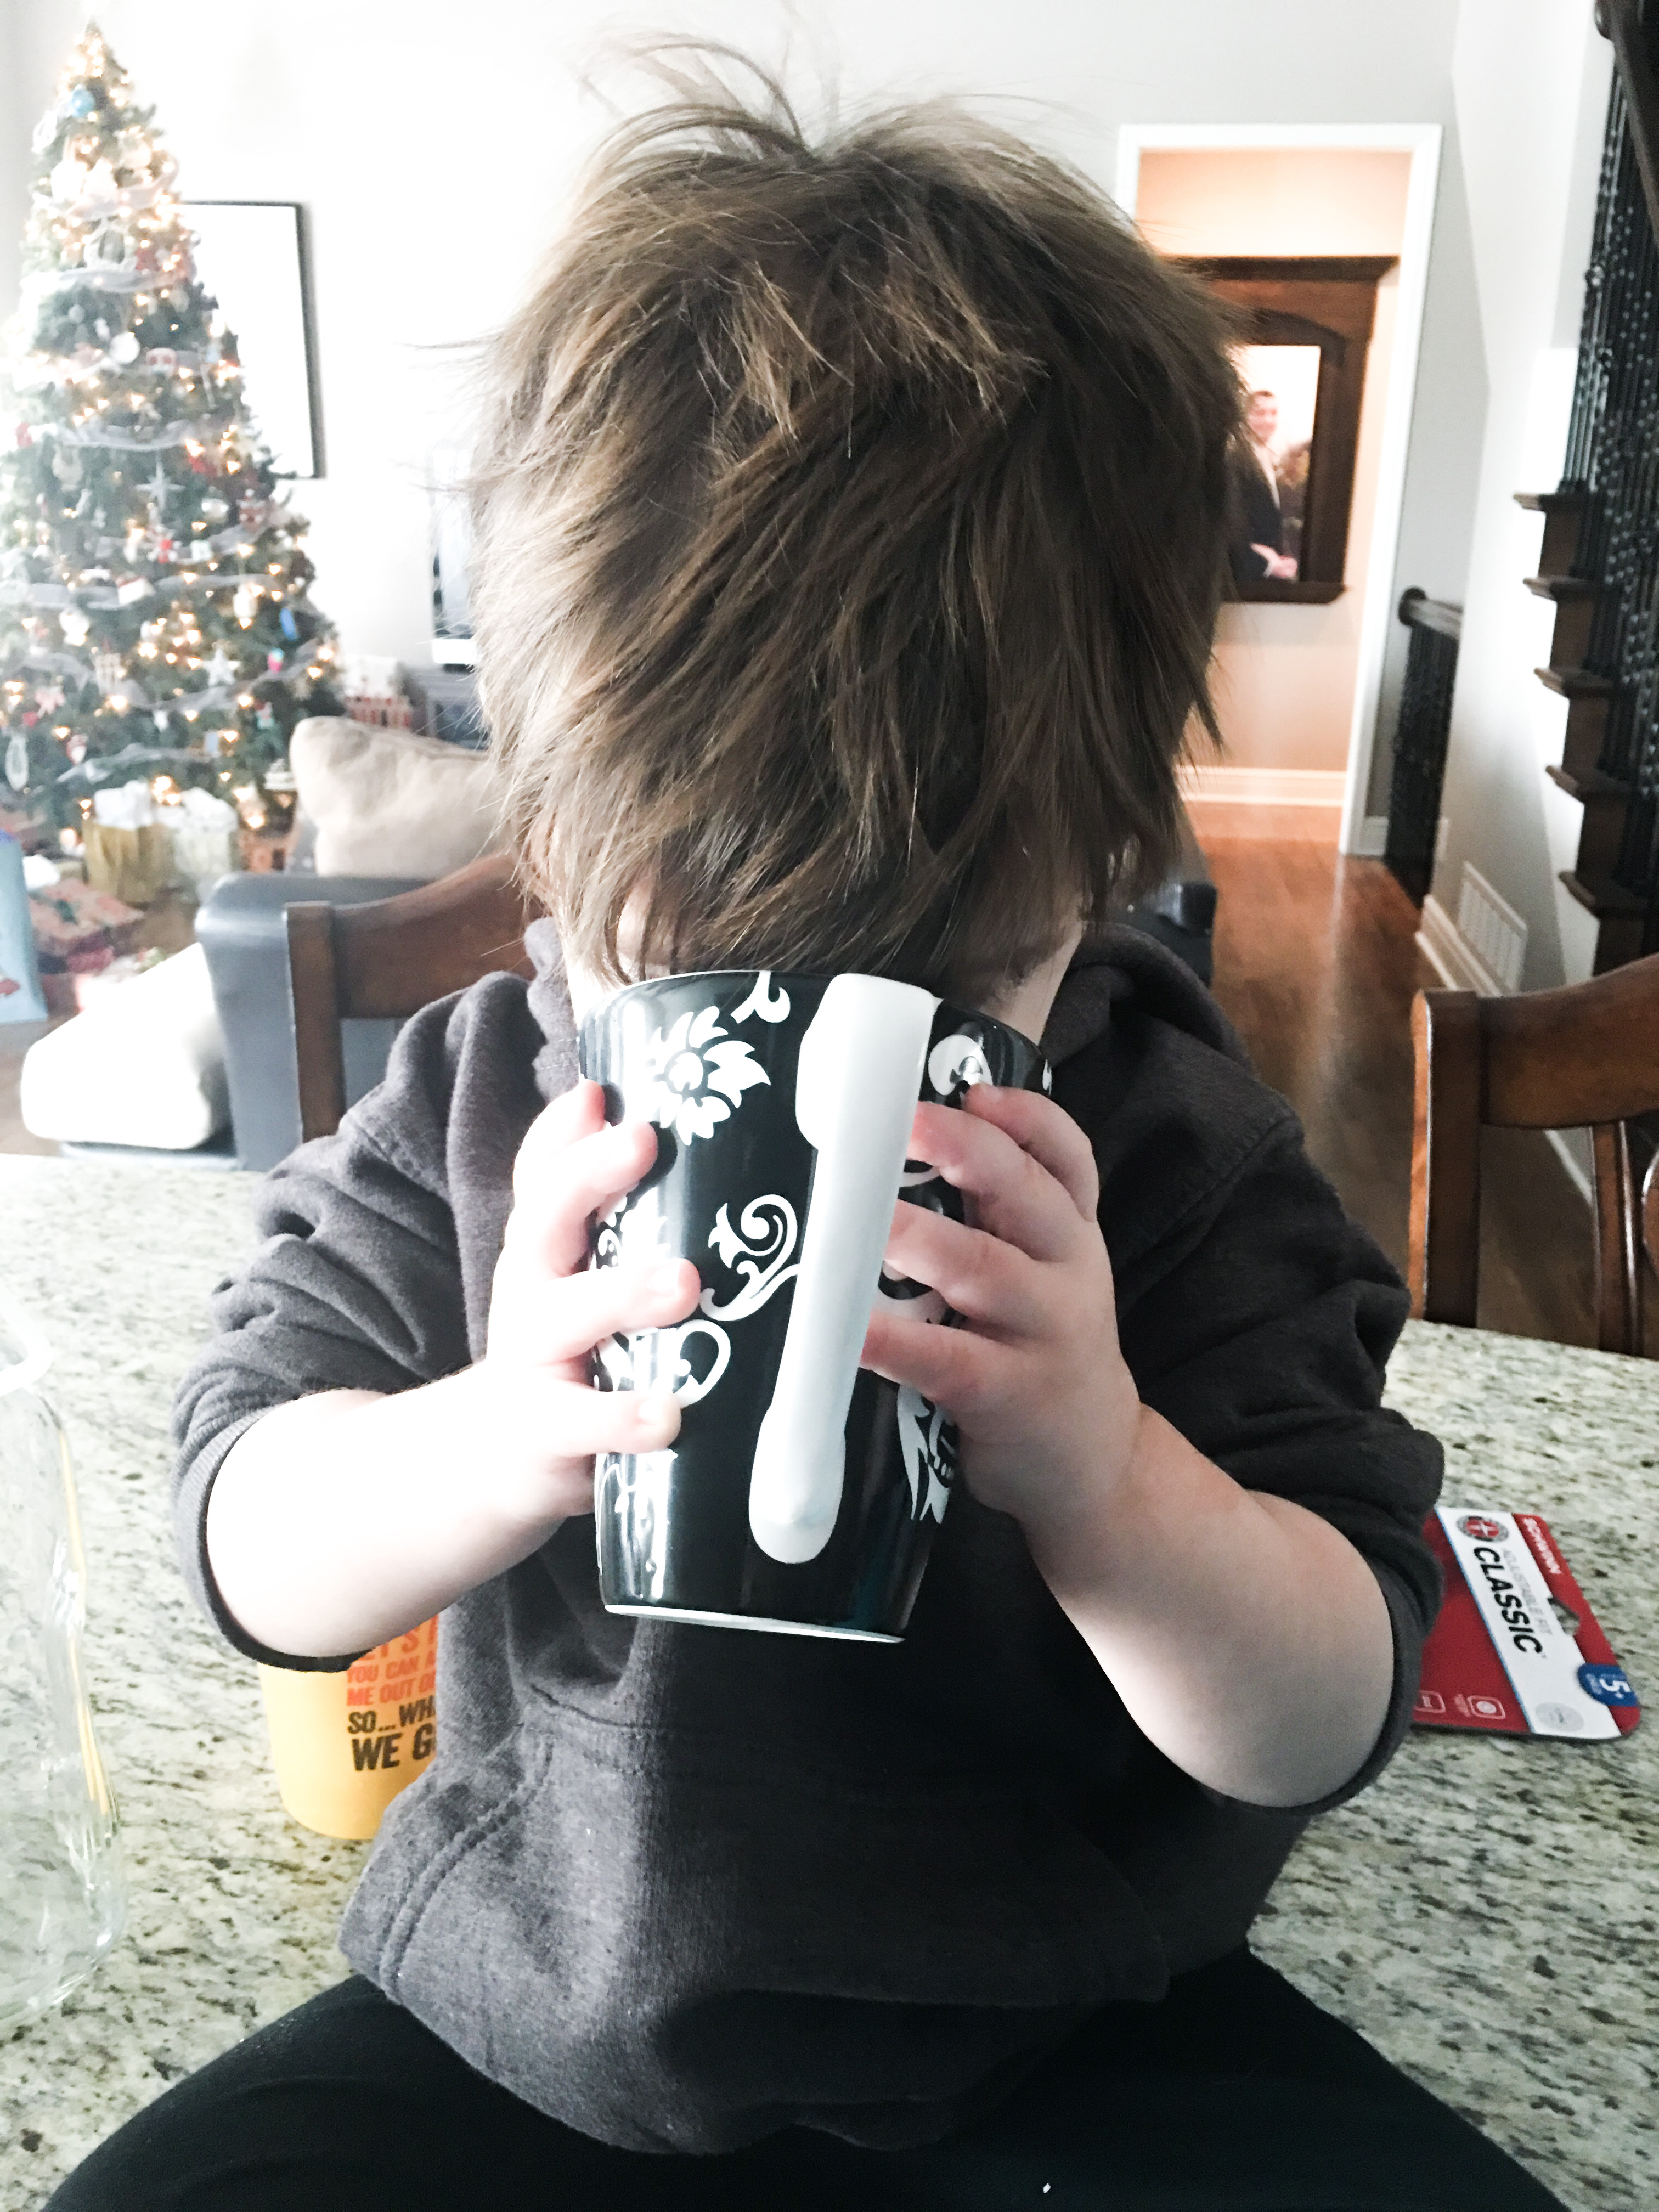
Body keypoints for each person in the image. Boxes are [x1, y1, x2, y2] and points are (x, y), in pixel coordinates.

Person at [50, 75, 1566, 2212]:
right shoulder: (492, 1093)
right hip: (540, 1997)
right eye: (696, 954)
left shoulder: (1168, 1138)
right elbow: (248, 1543)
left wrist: (1111, 1475)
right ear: (559, 846)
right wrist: (496, 1429)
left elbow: (1328, 1696)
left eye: (967, 965)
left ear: (1106, 867)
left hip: (1066, 2012)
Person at [1229, 387, 1299, 586]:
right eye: (1260, 413)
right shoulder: (1236, 460)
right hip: (1247, 570)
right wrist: (1263, 559)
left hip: (1271, 566)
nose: (1268, 420)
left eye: (1273, 413)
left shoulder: (1271, 459)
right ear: (1244, 416)